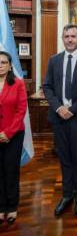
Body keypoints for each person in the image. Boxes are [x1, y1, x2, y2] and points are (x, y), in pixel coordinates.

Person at [43, 24, 77, 217]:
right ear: (62, 38)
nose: (70, 40)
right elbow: (47, 86)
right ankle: (67, 195)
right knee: (64, 158)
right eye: (66, 36)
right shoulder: (54, 60)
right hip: (59, 118)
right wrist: (59, 108)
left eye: (73, 36)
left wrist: (72, 110)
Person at [0, 51, 27, 224]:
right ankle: (1, 206)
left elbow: (21, 110)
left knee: (10, 170)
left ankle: (12, 206)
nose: (0, 65)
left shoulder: (18, 84)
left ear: (10, 66)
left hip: (14, 134)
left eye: (3, 62)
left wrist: (8, 133)